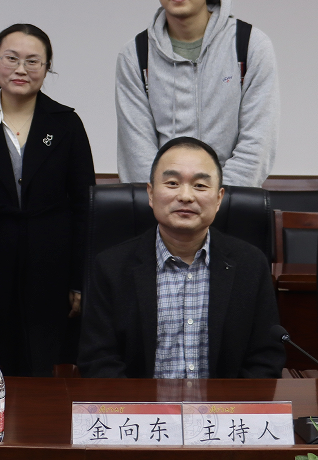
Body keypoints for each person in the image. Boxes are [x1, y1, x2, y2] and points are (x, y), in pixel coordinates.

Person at [0, 23, 95, 377]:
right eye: (11, 58)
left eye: (33, 61)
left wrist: (80, 281)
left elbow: (85, 208)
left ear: (47, 67)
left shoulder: (67, 124)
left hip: (51, 266)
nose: (21, 69)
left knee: (44, 361)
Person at [78, 136, 284, 379]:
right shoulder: (111, 267)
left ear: (219, 198)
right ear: (151, 193)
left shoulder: (250, 264)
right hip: (140, 403)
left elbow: (265, 358)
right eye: (173, 183)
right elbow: (98, 360)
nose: (186, 196)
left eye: (200, 185)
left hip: (226, 403)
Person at [115, 0, 279, 186]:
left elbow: (258, 142)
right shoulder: (135, 55)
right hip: (162, 204)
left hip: (231, 200)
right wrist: (169, 198)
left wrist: (217, 198)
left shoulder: (250, 46)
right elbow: (136, 152)